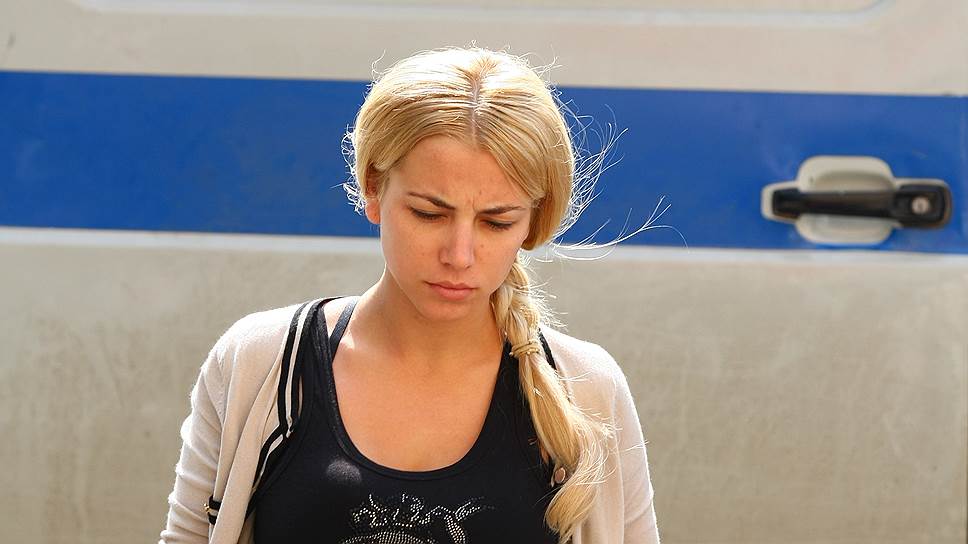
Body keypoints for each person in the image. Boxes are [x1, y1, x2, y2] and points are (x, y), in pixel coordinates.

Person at [160, 46, 659, 544]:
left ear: (533, 221)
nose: (459, 255)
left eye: (496, 222)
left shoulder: (586, 390)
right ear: (373, 188)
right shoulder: (260, 364)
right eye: (429, 214)